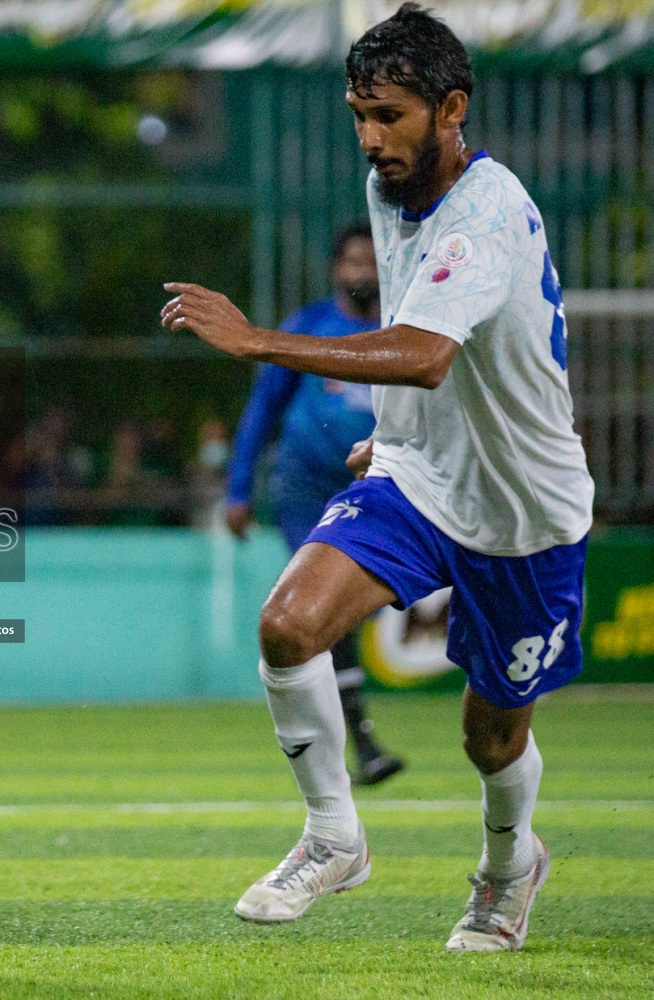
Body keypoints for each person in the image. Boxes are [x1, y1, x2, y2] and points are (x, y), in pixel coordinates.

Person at [161, 3, 590, 952]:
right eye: (358, 112)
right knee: (287, 625)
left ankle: (510, 866)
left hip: (525, 506)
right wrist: (397, 436)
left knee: (491, 738)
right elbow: (423, 349)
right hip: (418, 474)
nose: (370, 137)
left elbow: (430, 351)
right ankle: (332, 836)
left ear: (451, 108)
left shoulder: (484, 213)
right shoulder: (387, 187)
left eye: (388, 115)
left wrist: (256, 340)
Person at [224, 223, 405, 786]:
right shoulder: (310, 329)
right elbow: (262, 409)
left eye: (372, 262)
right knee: (325, 608)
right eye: (353, 261)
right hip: (304, 488)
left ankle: (347, 739)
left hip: (375, 489)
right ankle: (360, 744)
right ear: (336, 269)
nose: (363, 273)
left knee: (346, 611)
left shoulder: (403, 334)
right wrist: (238, 488)